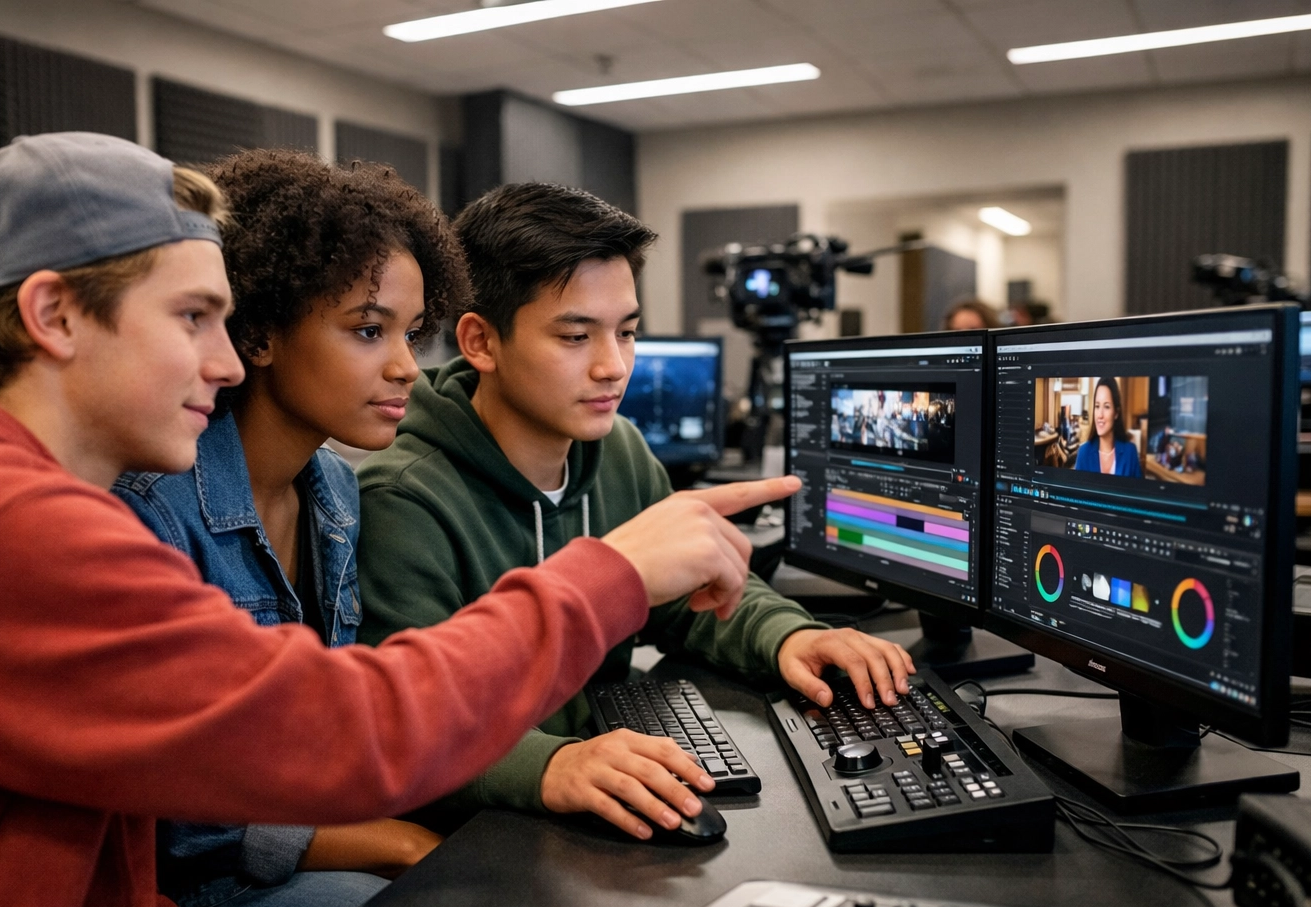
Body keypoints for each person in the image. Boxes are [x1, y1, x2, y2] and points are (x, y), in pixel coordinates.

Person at [0, 133, 793, 907]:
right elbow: (341, 732)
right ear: (53, 314)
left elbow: (98, 884)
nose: (226, 361)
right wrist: (611, 574)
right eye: (194, 318)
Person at [356, 183, 915, 840]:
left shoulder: (617, 448)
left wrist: (790, 636)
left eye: (626, 332)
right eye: (576, 336)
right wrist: (548, 764)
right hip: (486, 832)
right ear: (481, 342)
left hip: (598, 779)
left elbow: (687, 599)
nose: (614, 367)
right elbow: (404, 732)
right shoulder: (403, 500)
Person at [109, 151, 462, 907]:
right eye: (369, 330)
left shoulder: (334, 486)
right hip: (184, 890)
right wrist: (391, 840)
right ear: (260, 333)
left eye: (412, 333)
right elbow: (179, 817)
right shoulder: (151, 509)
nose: (407, 367)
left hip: (286, 842)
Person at [1073, 376, 1141, 477]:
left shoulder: (1130, 452)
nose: (1100, 415)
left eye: (1106, 406)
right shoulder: (1083, 453)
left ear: (1116, 413)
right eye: (1097, 406)